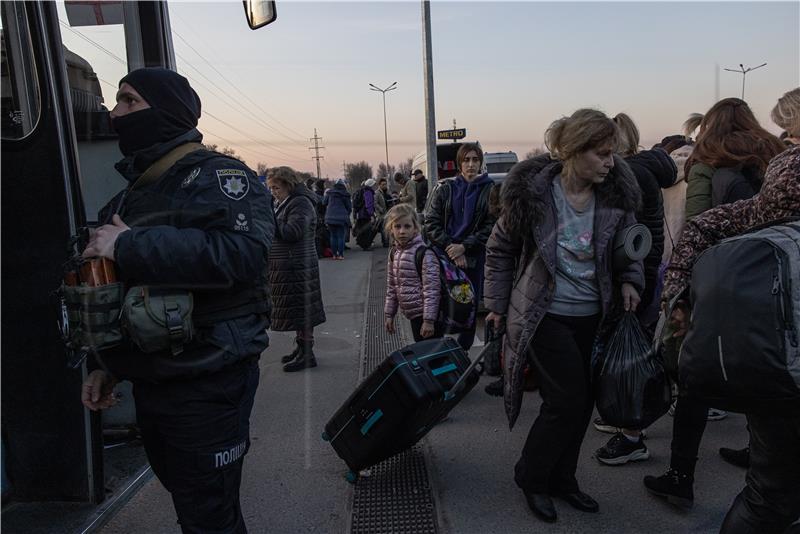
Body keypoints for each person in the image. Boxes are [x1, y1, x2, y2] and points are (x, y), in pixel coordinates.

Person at [80, 67, 273, 533]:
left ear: (165, 112)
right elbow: (120, 290)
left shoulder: (221, 177)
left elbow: (244, 254)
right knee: (196, 503)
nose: (115, 113)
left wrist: (128, 246)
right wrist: (105, 363)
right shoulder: (132, 194)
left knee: (209, 513)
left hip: (209, 376)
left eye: (129, 101)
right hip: (155, 379)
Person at [483, 108, 643, 523]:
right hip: (543, 313)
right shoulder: (534, 195)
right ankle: (532, 477)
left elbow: (630, 248)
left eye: (613, 154)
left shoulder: (614, 197)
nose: (611, 162)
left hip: (595, 315)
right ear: (573, 150)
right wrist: (496, 305)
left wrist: (630, 280)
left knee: (584, 401)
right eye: (603, 154)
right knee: (566, 400)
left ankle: (563, 480)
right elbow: (499, 250)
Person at [643, 98, 785, 507]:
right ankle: (760, 455)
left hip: (721, 279)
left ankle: (680, 475)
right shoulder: (773, 157)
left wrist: (680, 293)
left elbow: (697, 224)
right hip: (771, 277)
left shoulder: (707, 160)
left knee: (694, 377)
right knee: (766, 364)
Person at [593, 113, 677, 465]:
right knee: (629, 352)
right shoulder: (646, 170)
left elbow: (627, 234)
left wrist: (629, 278)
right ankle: (623, 416)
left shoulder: (630, 174)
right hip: (646, 270)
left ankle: (632, 434)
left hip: (635, 276)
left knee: (630, 359)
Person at [424, 143, 497, 351]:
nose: (471, 164)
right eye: (466, 160)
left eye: (475, 160)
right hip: (444, 258)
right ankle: (438, 354)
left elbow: (490, 225)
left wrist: (464, 247)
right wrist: (451, 248)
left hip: (472, 259)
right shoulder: (446, 188)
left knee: (468, 307)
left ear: (480, 162)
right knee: (440, 306)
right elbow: (431, 223)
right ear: (459, 163)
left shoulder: (490, 189)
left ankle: (462, 355)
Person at [267, 167, 327, 372]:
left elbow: (292, 232)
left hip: (297, 266)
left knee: (302, 311)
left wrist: (268, 219)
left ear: (288, 185)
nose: (273, 192)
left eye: (276, 187)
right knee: (297, 310)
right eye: (271, 188)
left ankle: (307, 354)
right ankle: (301, 349)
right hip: (291, 265)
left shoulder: (300, 203)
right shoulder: (286, 202)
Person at [383, 204, 443, 342]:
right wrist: (389, 314)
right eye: (397, 226)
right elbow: (392, 287)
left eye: (407, 226)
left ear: (415, 228)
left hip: (427, 315)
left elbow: (432, 290)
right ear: (391, 229)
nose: (402, 231)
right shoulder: (394, 253)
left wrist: (428, 320)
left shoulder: (424, 253)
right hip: (413, 315)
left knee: (433, 357)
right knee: (423, 355)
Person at [323, 178, 352, 260]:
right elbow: (349, 207)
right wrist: (347, 214)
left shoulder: (330, 193)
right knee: (341, 236)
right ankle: (341, 254)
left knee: (333, 236)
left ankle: (334, 255)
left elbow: (324, 202)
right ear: (344, 186)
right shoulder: (345, 194)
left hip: (330, 217)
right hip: (341, 218)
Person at [352, 178, 377, 250]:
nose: (374, 186)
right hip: (365, 214)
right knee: (367, 231)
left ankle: (362, 243)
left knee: (363, 230)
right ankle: (365, 245)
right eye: (373, 184)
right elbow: (368, 204)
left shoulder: (363, 191)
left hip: (361, 214)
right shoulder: (368, 192)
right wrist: (372, 214)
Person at [377, 177, 393, 246]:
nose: (384, 186)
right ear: (379, 185)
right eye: (383, 184)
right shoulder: (377, 193)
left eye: (385, 184)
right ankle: (385, 242)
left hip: (388, 212)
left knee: (388, 227)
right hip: (382, 213)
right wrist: (380, 209)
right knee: (384, 228)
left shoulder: (387, 192)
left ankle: (386, 241)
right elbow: (375, 203)